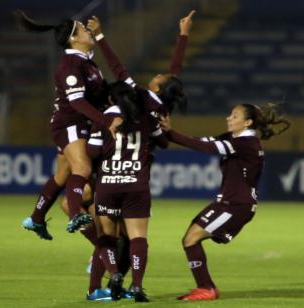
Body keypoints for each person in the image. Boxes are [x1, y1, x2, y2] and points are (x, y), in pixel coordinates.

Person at [160, 103, 290, 301]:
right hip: (228, 203)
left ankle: (206, 288)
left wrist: (170, 132)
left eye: (235, 116)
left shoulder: (246, 144)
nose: (229, 118)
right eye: (230, 114)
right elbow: (201, 141)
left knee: (190, 239)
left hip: (236, 205)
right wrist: (169, 134)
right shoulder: (233, 138)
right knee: (189, 239)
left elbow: (207, 147)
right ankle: (205, 287)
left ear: (247, 122)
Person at [14, 10, 123, 237]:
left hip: (75, 123)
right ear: (74, 38)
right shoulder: (71, 65)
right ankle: (75, 214)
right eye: (84, 29)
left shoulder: (86, 63)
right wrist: (105, 121)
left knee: (63, 174)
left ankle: (36, 218)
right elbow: (77, 102)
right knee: (83, 168)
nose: (88, 30)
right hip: (70, 124)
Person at [87, 81, 169, 302]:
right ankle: (137, 285)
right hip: (136, 184)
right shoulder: (146, 118)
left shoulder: (103, 119)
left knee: (107, 235)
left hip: (108, 184)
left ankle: (114, 274)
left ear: (111, 99)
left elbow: (92, 152)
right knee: (138, 237)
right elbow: (163, 142)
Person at [87, 11, 195, 118]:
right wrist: (184, 33)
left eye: (161, 77)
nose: (158, 75)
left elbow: (117, 68)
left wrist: (98, 35)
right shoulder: (165, 107)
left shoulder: (141, 98)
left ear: (157, 89)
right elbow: (175, 69)